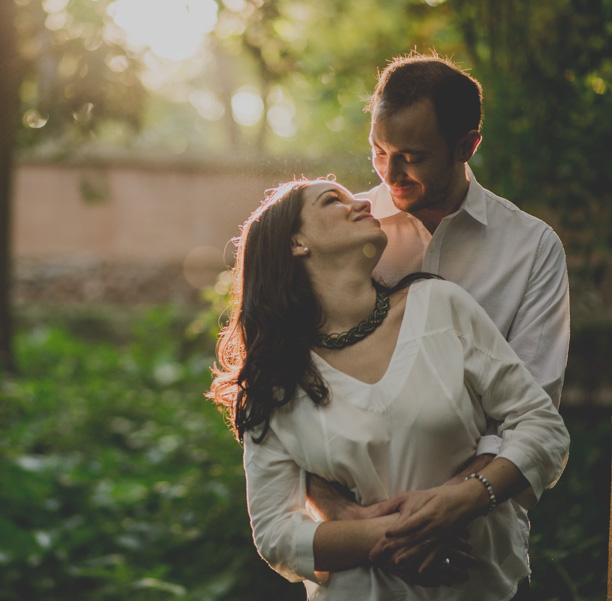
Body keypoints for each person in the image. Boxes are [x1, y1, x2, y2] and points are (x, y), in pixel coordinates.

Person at [208, 176, 569, 599]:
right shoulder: (275, 380)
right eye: (332, 200)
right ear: (296, 243)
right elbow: (275, 534)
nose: (362, 203)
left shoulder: (440, 306)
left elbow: (542, 426)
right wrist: (386, 537)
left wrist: (467, 500)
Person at [304, 52, 571, 587]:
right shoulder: (341, 234)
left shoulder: (531, 249)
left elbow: (534, 414)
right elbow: (280, 391)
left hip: (477, 558)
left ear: (467, 146)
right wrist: (357, 521)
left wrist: (450, 505)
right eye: (379, 151)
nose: (389, 173)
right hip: (357, 564)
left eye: (413, 156)